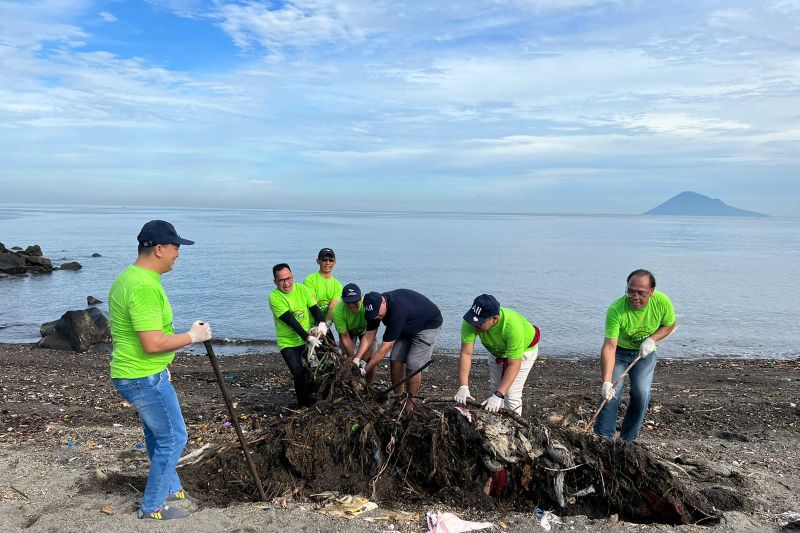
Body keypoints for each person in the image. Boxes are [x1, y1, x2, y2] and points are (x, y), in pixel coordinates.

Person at [108, 220, 212, 521]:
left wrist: (164, 367)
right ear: (158, 249)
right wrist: (193, 337)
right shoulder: (143, 287)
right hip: (143, 377)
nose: (178, 253)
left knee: (158, 434)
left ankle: (172, 488)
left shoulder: (129, 277)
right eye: (176, 247)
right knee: (174, 437)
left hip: (140, 373)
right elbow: (153, 343)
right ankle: (152, 506)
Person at [594, 269, 676, 442]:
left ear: (651, 292)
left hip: (644, 354)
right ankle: (603, 439)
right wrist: (606, 381)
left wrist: (652, 340)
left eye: (641, 293)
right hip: (619, 353)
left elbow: (670, 325)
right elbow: (609, 347)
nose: (635, 296)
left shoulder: (662, 302)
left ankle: (627, 441)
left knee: (641, 394)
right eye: (630, 291)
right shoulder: (616, 310)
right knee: (611, 395)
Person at [454, 294, 541, 415]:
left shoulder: (512, 326)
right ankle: (497, 421)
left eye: (480, 322)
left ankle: (514, 427)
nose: (475, 325)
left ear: (495, 319)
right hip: (497, 350)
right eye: (474, 320)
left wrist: (499, 395)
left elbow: (514, 364)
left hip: (524, 350)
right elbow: (466, 354)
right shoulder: (471, 320)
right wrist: (463, 386)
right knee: (495, 388)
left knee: (510, 393)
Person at [357, 289, 443, 404]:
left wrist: (365, 370)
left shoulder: (397, 310)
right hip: (406, 326)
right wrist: (356, 359)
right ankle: (399, 399)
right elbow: (369, 336)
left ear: (383, 302)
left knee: (413, 365)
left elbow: (386, 346)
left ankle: (409, 406)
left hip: (427, 324)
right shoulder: (373, 308)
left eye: (378, 314)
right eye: (374, 315)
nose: (377, 317)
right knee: (395, 360)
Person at [269, 263, 328, 407]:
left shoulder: (302, 289)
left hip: (306, 338)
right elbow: (291, 321)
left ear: (292, 277)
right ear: (275, 282)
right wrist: (309, 338)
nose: (286, 283)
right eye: (281, 280)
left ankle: (317, 399)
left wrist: (321, 323)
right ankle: (303, 405)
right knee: (298, 374)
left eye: (288, 278)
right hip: (288, 343)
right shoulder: (274, 297)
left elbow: (315, 309)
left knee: (316, 369)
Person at [333, 283, 377, 383]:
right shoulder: (337, 311)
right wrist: (354, 359)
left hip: (366, 331)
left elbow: (370, 335)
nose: (352, 305)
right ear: (342, 299)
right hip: (348, 332)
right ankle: (351, 383)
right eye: (348, 302)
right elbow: (344, 336)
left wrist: (363, 359)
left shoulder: (368, 307)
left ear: (361, 297)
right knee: (348, 359)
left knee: (371, 361)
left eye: (355, 301)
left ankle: (369, 385)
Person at [303, 248, 343, 326]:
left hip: (324, 323)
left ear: (334, 262)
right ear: (318, 261)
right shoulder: (310, 280)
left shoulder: (337, 284)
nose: (328, 263)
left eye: (331, 260)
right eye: (324, 260)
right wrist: (321, 324)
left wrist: (327, 323)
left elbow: (332, 307)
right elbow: (313, 305)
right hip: (309, 324)